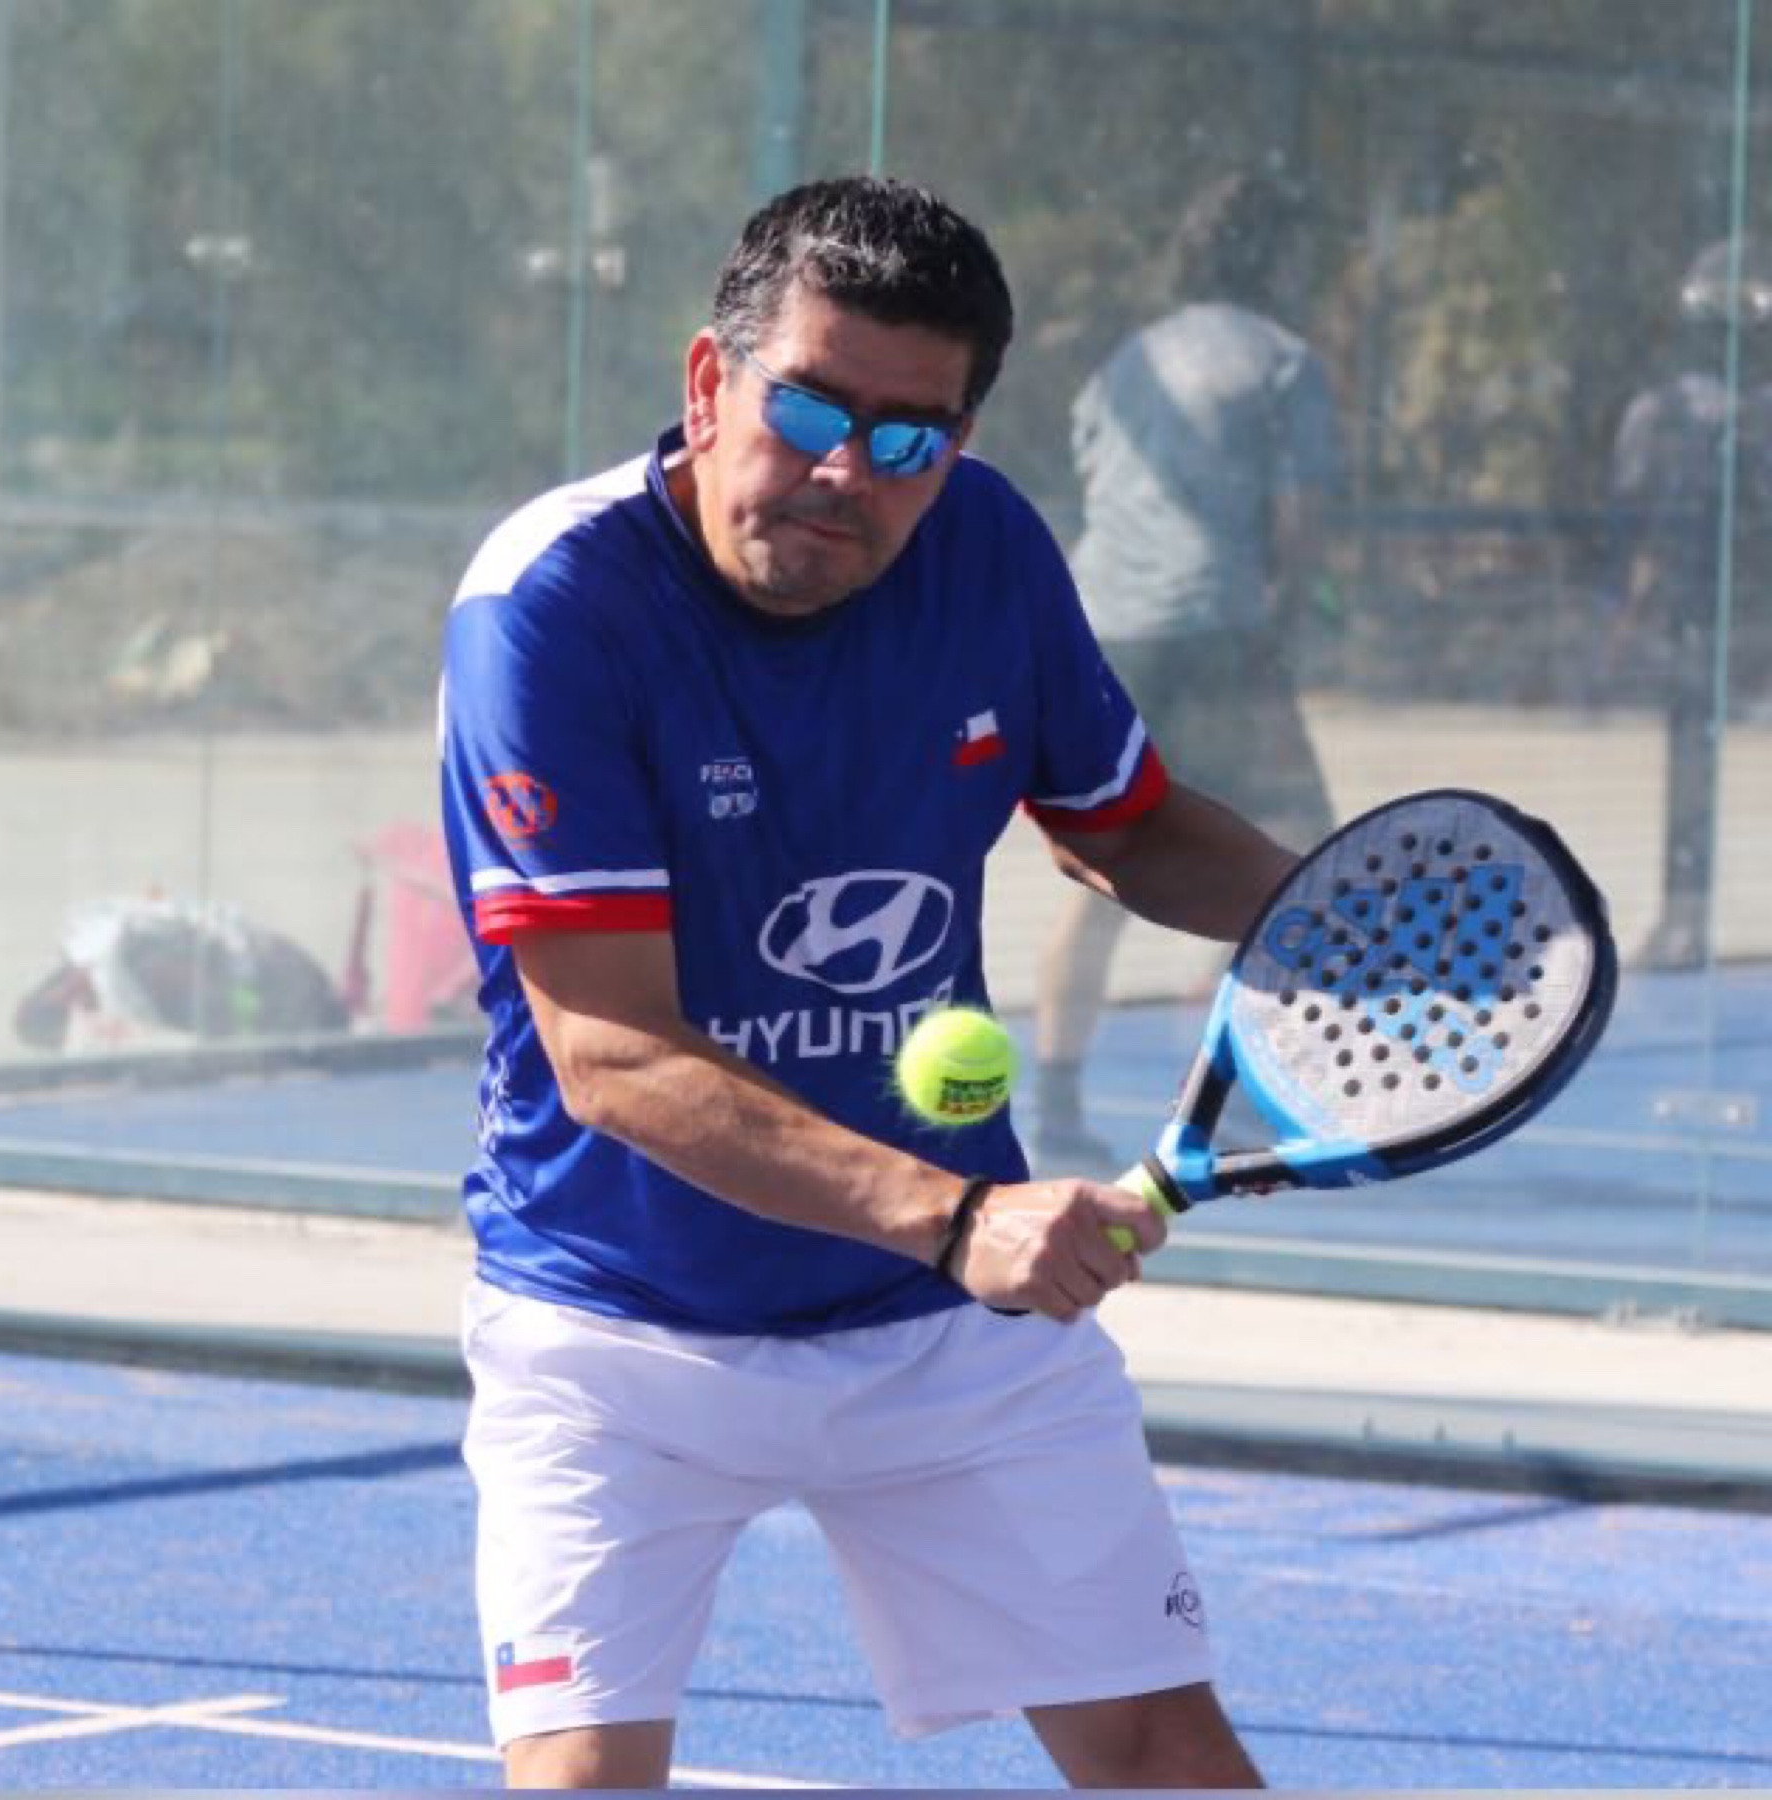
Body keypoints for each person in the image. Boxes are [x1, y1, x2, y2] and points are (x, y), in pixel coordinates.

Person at [438, 175, 1294, 1790]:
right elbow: (611, 1053)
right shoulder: (550, 606)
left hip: (940, 1330)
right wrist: (962, 1221)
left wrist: (1337, 918)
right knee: (580, 1781)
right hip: (618, 1328)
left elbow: (1125, 829)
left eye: (911, 438)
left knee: (1160, 1751)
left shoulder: (988, 550)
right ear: (710, 382)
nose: (849, 471)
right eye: (813, 411)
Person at [1032, 170, 1343, 1167]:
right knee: (1294, 862)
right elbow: (1300, 522)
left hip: (1105, 632)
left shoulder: (1123, 363)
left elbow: (1104, 488)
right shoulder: (1284, 361)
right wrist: (1287, 617)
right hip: (1216, 631)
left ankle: (1057, 1100)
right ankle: (1234, 1094)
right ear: (1278, 258)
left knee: (1104, 864)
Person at [1607, 236, 1772, 969]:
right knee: (1690, 764)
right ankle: (1682, 915)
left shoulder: (1657, 415)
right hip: (1704, 615)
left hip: (1708, 615)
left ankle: (1683, 917)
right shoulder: (1659, 415)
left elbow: (1635, 531)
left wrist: (1627, 610)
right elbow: (1641, 533)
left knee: (1691, 765)